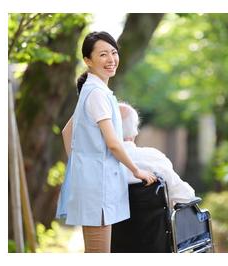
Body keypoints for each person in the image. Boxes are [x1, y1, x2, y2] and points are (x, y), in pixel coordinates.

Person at [56, 31, 157, 253]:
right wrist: (136, 170)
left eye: (113, 52)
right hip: (97, 188)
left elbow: (66, 132)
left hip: (93, 184)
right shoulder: (97, 95)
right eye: (103, 54)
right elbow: (113, 142)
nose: (111, 59)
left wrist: (82, 166)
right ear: (87, 61)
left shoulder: (92, 91)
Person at [119, 102, 196, 206]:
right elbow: (186, 196)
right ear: (135, 132)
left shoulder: (98, 165)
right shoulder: (152, 157)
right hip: (154, 222)